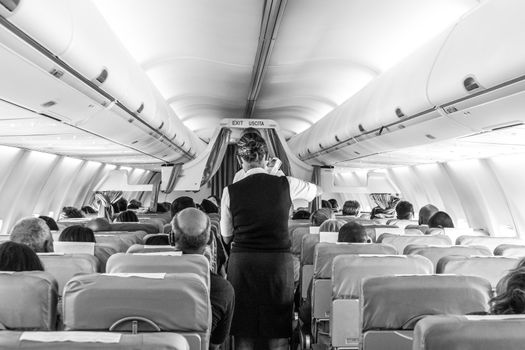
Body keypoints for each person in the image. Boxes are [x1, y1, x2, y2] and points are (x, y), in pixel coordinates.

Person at [221, 133, 321, 350]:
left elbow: (226, 235)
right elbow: (316, 191)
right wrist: (275, 173)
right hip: (277, 263)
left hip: (243, 263)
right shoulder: (287, 184)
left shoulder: (230, 191)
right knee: (276, 323)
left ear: (240, 161)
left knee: (245, 327)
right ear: (266, 157)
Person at [172, 208, 234, 348]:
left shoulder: (141, 277)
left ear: (172, 237)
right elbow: (213, 345)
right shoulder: (222, 289)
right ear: (211, 238)